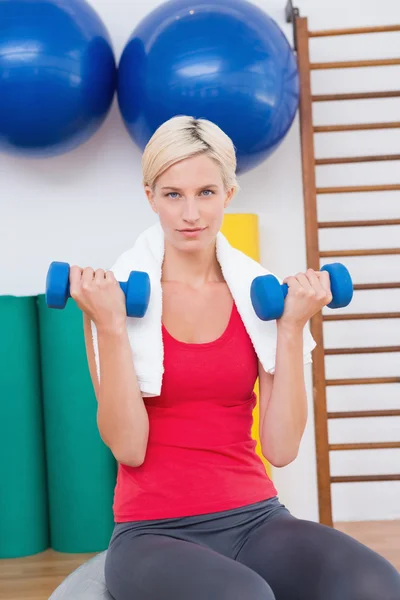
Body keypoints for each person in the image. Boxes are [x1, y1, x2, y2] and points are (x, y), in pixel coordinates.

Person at [72, 116, 400, 600]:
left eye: (206, 192)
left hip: (255, 519)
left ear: (229, 194)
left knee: (376, 584)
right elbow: (129, 448)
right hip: (153, 532)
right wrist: (112, 326)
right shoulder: (116, 301)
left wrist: (291, 327)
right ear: (150, 197)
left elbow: (282, 450)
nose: (190, 214)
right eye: (172, 194)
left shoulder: (256, 300)